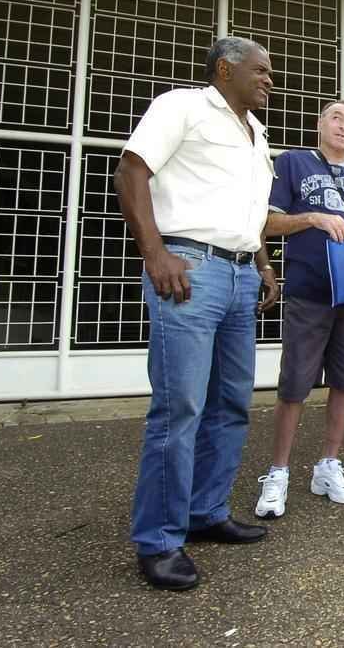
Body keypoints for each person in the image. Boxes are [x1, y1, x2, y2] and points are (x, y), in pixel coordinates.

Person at [116, 37, 281, 591]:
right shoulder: (181, 106)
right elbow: (131, 171)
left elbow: (249, 212)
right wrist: (154, 253)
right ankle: (159, 541)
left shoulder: (256, 133)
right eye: (260, 71)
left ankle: (205, 511)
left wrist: (263, 265)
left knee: (231, 402)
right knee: (179, 407)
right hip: (190, 267)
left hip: (240, 273)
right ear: (225, 70)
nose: (269, 80)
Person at [254, 100, 344, 519]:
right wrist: (312, 217)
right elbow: (267, 223)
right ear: (319, 125)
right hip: (310, 291)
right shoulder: (293, 163)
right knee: (295, 383)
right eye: (336, 118)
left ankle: (328, 464)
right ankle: (278, 472)